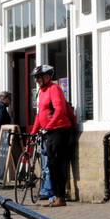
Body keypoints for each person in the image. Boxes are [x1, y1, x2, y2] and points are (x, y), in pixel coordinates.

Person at [28, 64, 75, 208]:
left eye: (40, 77)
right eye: (36, 77)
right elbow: (39, 116)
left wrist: (48, 126)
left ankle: (60, 197)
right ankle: (56, 196)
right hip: (49, 132)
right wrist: (33, 133)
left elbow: (59, 110)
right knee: (51, 165)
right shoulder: (41, 92)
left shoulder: (54, 89)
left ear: (49, 76)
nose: (38, 80)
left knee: (56, 164)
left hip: (59, 130)